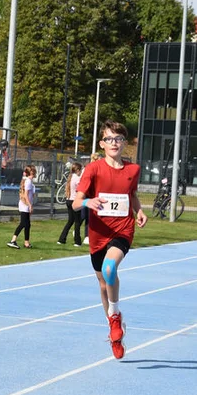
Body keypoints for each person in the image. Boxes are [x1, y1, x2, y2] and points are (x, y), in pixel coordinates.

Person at [71, 120, 148, 360]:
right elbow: (75, 202)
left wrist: (139, 211)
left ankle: (115, 316)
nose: (114, 143)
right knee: (103, 285)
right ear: (102, 143)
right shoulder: (93, 169)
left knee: (109, 267)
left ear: (125, 143)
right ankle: (114, 329)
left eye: (119, 139)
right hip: (98, 233)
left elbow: (132, 194)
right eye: (109, 139)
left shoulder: (133, 169)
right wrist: (87, 202)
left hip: (123, 230)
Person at [7, 165, 36, 249]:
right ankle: (13, 240)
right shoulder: (28, 182)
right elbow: (26, 195)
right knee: (23, 223)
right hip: (25, 205)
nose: (34, 174)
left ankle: (26, 242)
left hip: (25, 204)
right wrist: (30, 205)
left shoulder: (27, 180)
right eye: (32, 172)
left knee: (28, 225)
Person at [56, 161, 84, 246]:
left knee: (70, 221)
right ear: (78, 170)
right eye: (81, 170)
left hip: (69, 200)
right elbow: (80, 189)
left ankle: (62, 239)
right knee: (77, 222)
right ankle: (77, 241)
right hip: (74, 201)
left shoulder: (71, 177)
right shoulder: (77, 178)